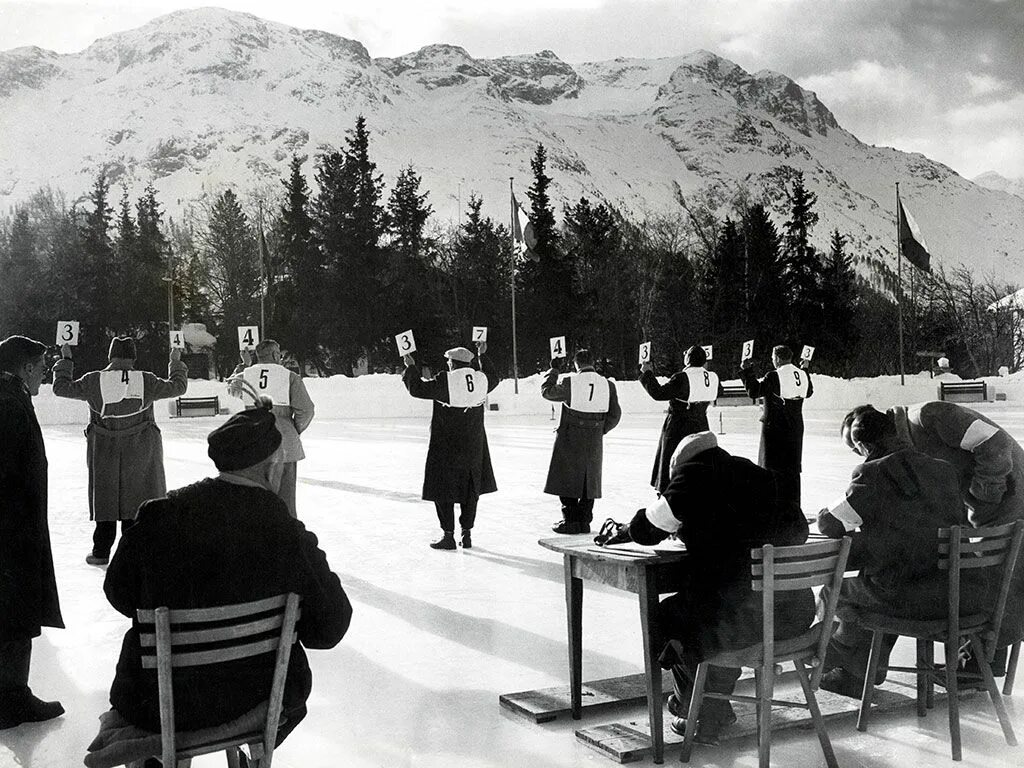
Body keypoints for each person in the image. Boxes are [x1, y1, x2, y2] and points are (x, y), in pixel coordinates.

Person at [99, 405, 352, 751]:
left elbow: (119, 594)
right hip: (258, 699)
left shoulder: (157, 516)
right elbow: (330, 628)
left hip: (158, 704)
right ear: (272, 466)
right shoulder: (288, 535)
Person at [625, 431, 813, 743]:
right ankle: (710, 706)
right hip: (791, 616)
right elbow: (799, 530)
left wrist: (636, 525)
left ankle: (697, 709)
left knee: (668, 617)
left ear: (679, 465)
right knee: (714, 616)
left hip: (743, 624)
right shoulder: (760, 475)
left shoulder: (692, 475)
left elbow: (647, 529)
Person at [817, 406, 982, 697]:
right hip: (957, 596)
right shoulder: (943, 469)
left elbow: (830, 524)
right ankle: (859, 671)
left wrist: (827, 512)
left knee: (838, 590)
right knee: (883, 583)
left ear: (864, 445)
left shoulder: (873, 471)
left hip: (909, 603)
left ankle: (845, 654)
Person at [841, 402, 1024, 658]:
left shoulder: (928, 416)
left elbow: (993, 441)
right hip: (991, 515)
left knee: (991, 582)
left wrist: (985, 492)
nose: (865, 455)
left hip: (1011, 502)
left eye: (859, 446)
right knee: (984, 580)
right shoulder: (909, 452)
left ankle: (975, 664)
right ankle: (976, 666)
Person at [52, 337, 188, 565]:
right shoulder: (146, 380)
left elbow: (61, 388)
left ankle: (101, 550)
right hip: (141, 449)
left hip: (104, 449)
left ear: (110, 357)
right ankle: (133, 552)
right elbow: (178, 387)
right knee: (137, 497)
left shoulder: (93, 380)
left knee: (106, 496)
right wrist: (175, 363)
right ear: (133, 358)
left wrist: (66, 360)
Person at [0, 336, 65, 729]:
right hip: (12, 531)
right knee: (13, 614)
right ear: (25, 367)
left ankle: (11, 695)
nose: (46, 371)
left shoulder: (8, 397)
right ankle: (10, 700)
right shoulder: (8, 404)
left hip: (14, 526)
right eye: (42, 365)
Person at [402, 342, 498, 550]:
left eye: (448, 362)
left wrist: (411, 367)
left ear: (453, 364)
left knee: (443, 488)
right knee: (470, 488)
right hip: (474, 444)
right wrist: (483, 355)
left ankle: (448, 535)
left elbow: (417, 389)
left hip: (446, 445)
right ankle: (467, 533)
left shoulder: (446, 380)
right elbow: (494, 377)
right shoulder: (481, 380)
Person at [229, 339, 315, 517]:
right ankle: (287, 539)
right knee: (286, 503)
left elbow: (232, 389)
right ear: (276, 355)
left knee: (257, 501)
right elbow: (306, 410)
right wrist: (294, 429)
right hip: (284, 444)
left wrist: (244, 366)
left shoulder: (245, 375)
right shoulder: (289, 376)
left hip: (253, 441)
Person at [542, 348, 621, 534]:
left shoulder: (571, 382)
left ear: (576, 364)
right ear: (593, 362)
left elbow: (547, 392)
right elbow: (615, 414)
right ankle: (585, 520)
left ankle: (570, 520)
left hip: (571, 435)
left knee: (566, 476)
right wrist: (601, 429)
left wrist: (553, 371)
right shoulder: (608, 385)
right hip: (594, 437)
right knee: (589, 478)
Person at [639, 344, 722, 494]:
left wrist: (647, 374)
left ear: (688, 359)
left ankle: (668, 492)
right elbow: (718, 392)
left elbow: (659, 393)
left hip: (678, 425)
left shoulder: (682, 377)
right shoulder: (712, 377)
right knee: (698, 461)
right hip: (701, 423)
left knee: (671, 462)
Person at [739, 344, 812, 506]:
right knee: (792, 469)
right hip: (795, 426)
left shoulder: (774, 375)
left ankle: (772, 508)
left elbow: (754, 391)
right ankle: (793, 507)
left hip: (775, 426)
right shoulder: (802, 374)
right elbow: (809, 392)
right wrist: (804, 369)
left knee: (771, 468)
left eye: (773, 358)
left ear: (777, 358)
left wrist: (747, 371)